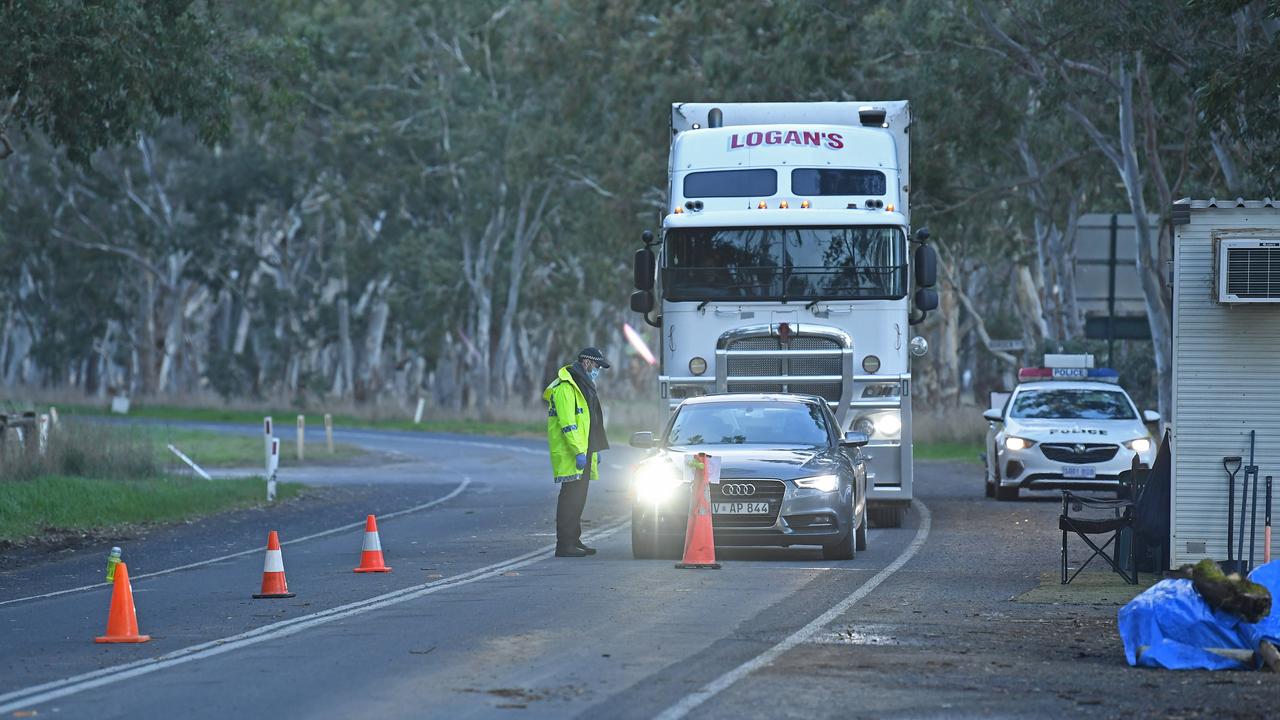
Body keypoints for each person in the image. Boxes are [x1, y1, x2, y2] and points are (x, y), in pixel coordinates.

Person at [542, 347, 611, 557]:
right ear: (587, 363)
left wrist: (593, 451)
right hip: (572, 453)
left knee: (579, 498)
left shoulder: (584, 386)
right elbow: (568, 424)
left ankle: (574, 539)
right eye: (597, 366)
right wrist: (579, 451)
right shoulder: (566, 388)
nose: (598, 370)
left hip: (584, 450)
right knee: (569, 499)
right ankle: (564, 544)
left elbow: (589, 422)